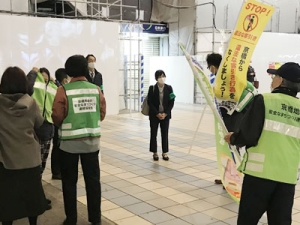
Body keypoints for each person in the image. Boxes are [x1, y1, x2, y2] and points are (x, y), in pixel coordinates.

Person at [224, 62, 300, 225]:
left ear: (281, 80)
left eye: (274, 76)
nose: (272, 80)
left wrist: (233, 138)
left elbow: (248, 134)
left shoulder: (264, 100)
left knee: (248, 219)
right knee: (280, 221)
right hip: (287, 177)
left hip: (260, 175)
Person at [52, 55, 106, 225]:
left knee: (69, 183)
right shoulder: (95, 89)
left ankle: (72, 219)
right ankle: (95, 219)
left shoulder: (63, 90)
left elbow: (57, 116)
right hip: (92, 143)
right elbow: (102, 113)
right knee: (93, 182)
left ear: (68, 71)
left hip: (69, 145)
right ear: (85, 68)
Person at [0, 67, 48, 225]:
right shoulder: (31, 103)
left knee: (7, 201)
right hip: (30, 159)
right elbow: (39, 123)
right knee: (31, 199)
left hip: (6, 160)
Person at [206, 53, 256, 185]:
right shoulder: (227, 75)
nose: (209, 70)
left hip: (237, 114)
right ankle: (229, 176)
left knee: (232, 144)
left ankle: (234, 177)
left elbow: (228, 102)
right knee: (230, 145)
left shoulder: (224, 77)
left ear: (212, 67)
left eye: (209, 67)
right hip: (238, 113)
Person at [147, 70, 175, 161]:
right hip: (155, 115)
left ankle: (164, 152)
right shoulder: (152, 88)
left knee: (165, 133)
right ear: (156, 78)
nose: (162, 78)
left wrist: (165, 113)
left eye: (163, 76)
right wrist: (157, 113)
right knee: (153, 133)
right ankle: (154, 152)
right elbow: (149, 102)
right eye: (160, 76)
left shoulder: (169, 88)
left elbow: (172, 102)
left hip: (165, 115)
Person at [51, 68, 70, 180]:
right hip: (58, 123)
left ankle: (57, 171)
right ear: (64, 79)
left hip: (55, 122)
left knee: (57, 147)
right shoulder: (60, 89)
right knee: (57, 147)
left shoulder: (54, 87)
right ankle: (57, 172)